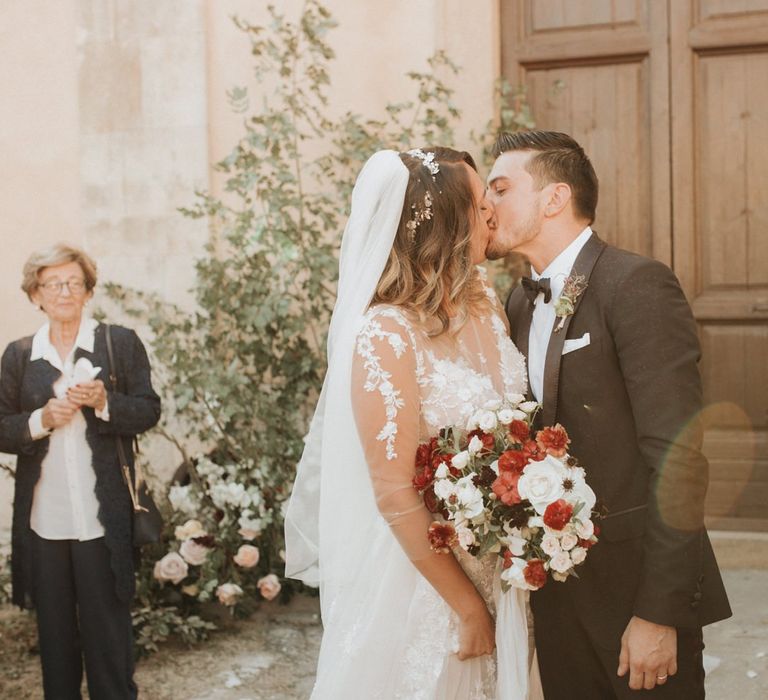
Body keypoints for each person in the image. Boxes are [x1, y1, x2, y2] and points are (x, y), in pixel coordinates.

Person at [486, 130, 732, 698]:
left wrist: (658, 613)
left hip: (634, 592)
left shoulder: (636, 284)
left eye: (501, 188)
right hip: (556, 594)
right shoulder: (521, 301)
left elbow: (678, 459)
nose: (487, 205)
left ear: (554, 198)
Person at [285, 148, 538, 698]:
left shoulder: (485, 302)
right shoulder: (385, 334)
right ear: (443, 223)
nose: (491, 212)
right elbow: (394, 490)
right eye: (477, 204)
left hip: (507, 574)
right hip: (425, 587)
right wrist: (467, 606)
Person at [0, 243, 161, 699]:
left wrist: (104, 403)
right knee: (55, 646)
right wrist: (40, 421)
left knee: (109, 642)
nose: (64, 292)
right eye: (52, 284)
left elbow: (149, 411)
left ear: (88, 290)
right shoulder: (19, 356)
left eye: (73, 282)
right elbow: (1, 427)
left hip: (100, 521)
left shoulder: (119, 343)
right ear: (36, 295)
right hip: (44, 524)